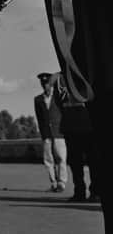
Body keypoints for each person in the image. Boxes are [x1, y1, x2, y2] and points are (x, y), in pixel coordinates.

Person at [51, 72, 100, 202]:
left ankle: (93, 191)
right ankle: (81, 191)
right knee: (76, 162)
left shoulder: (73, 76)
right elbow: (58, 100)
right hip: (75, 124)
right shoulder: (61, 79)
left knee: (91, 161)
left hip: (85, 123)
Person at [33, 72, 68, 193]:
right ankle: (53, 183)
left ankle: (62, 183)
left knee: (61, 158)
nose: (45, 85)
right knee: (48, 160)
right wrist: (42, 133)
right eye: (43, 83)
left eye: (47, 83)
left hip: (59, 133)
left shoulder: (59, 97)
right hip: (46, 134)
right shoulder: (37, 100)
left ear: (51, 83)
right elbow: (39, 118)